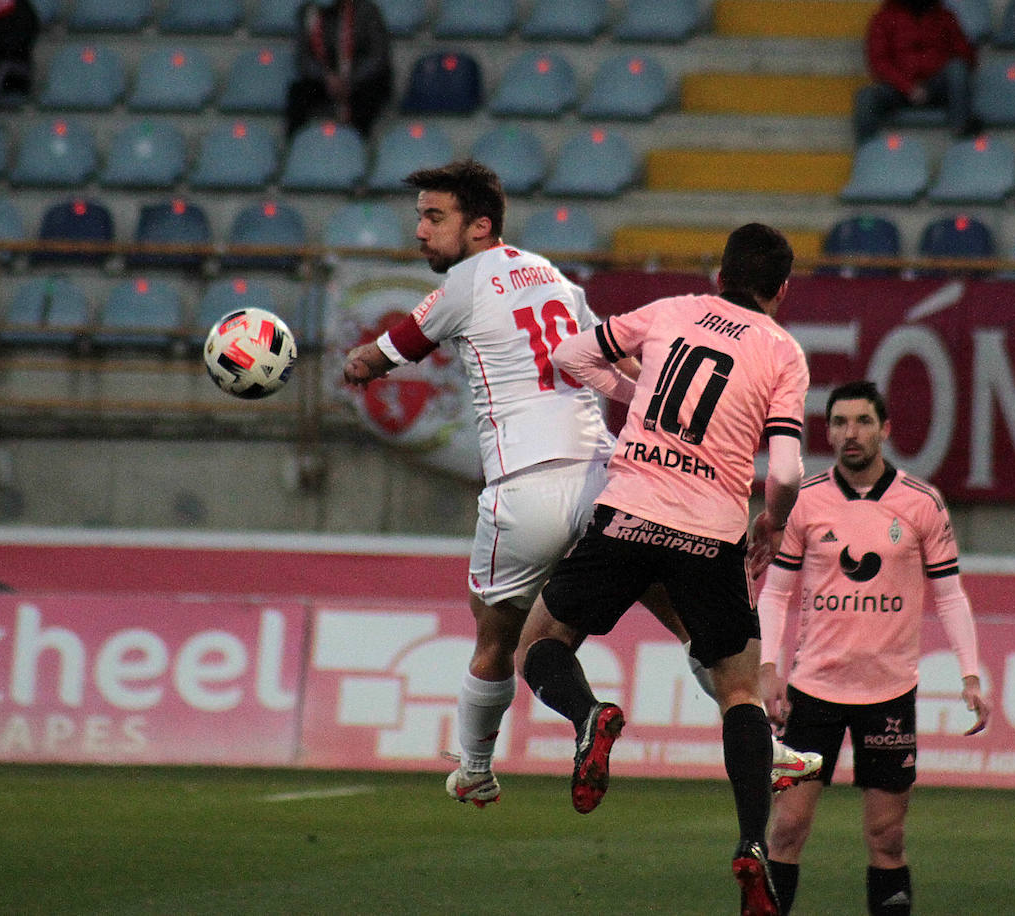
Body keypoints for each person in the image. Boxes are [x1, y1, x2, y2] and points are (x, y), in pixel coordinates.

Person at [342, 163, 818, 812]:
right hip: (605, 480)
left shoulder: (463, 281)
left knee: (499, 644)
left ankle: (480, 767)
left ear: (480, 226)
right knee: (691, 627)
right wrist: (636, 396)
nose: (419, 231)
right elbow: (604, 358)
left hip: (525, 487)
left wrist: (355, 363)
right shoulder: (555, 280)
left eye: (433, 217)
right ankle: (767, 745)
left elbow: (385, 352)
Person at [516, 223, 810, 916]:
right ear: (781, 290)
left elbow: (569, 355)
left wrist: (634, 396)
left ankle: (590, 716)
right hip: (710, 533)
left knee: (541, 644)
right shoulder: (783, 351)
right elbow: (790, 469)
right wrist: (772, 521)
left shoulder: (672, 311)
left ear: (720, 273)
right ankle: (751, 843)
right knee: (739, 691)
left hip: (629, 511)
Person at [759, 381, 989, 916]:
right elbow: (776, 591)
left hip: (888, 696)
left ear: (885, 428)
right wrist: (769, 667)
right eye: (839, 423)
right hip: (811, 693)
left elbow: (950, 594)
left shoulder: (921, 502)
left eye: (862, 422)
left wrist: (970, 675)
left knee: (886, 838)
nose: (849, 434)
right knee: (787, 829)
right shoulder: (806, 501)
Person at [853, 0, 976, 145]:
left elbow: (966, 55)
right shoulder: (884, 18)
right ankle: (868, 151)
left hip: (936, 85)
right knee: (866, 96)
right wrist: (908, 88)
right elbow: (878, 62)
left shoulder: (945, 17)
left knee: (957, 69)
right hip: (898, 89)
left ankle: (961, 132)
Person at [285, 0, 392, 138]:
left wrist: (350, 80)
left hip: (361, 79)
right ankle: (294, 145)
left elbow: (378, 57)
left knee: (368, 96)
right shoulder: (307, 13)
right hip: (326, 79)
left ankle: (356, 145)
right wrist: (326, 78)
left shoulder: (367, 10)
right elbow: (304, 59)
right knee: (298, 93)